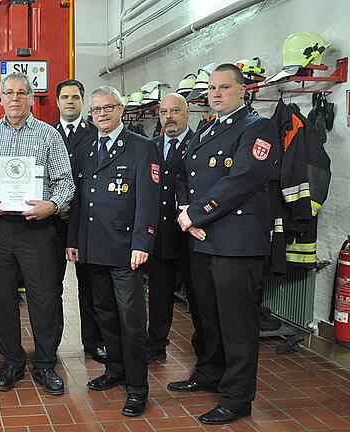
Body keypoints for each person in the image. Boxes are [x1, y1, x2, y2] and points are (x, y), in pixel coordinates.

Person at [169, 64, 278, 425]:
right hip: (202, 240)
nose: (216, 94)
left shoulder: (257, 127)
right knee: (208, 318)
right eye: (212, 88)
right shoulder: (206, 129)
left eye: (225, 87)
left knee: (237, 325)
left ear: (243, 90)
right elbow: (187, 176)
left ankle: (237, 397)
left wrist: (196, 215)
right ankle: (210, 372)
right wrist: (186, 210)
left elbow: (241, 180)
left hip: (235, 243)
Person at [0, 72, 74, 396]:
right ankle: (11, 362)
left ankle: (45, 364)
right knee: (2, 298)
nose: (15, 98)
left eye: (21, 93)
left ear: (31, 97)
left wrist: (52, 205)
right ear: (1, 98)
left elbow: (65, 182)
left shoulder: (49, 136)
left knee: (44, 298)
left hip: (36, 229)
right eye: (9, 93)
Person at [66, 86, 159, 417]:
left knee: (131, 319)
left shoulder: (141, 147)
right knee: (104, 313)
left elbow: (149, 201)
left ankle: (137, 387)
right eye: (96, 110)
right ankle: (116, 369)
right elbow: (80, 200)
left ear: (121, 109)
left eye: (108, 108)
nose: (101, 114)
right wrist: (73, 240)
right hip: (93, 247)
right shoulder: (87, 149)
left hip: (125, 250)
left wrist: (142, 242)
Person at [146, 93, 204, 363]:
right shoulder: (150, 147)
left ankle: (204, 345)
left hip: (191, 238)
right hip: (159, 236)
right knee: (159, 296)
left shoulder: (200, 143)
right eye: (164, 112)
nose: (169, 117)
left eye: (175, 111)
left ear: (187, 112)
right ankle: (156, 345)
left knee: (199, 297)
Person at [52, 79, 106, 363]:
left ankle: (93, 341)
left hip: (86, 221)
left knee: (89, 285)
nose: (70, 101)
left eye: (75, 96)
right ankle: (51, 344)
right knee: (51, 286)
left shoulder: (96, 134)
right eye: (65, 97)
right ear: (57, 102)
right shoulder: (46, 133)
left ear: (82, 101)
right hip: (51, 222)